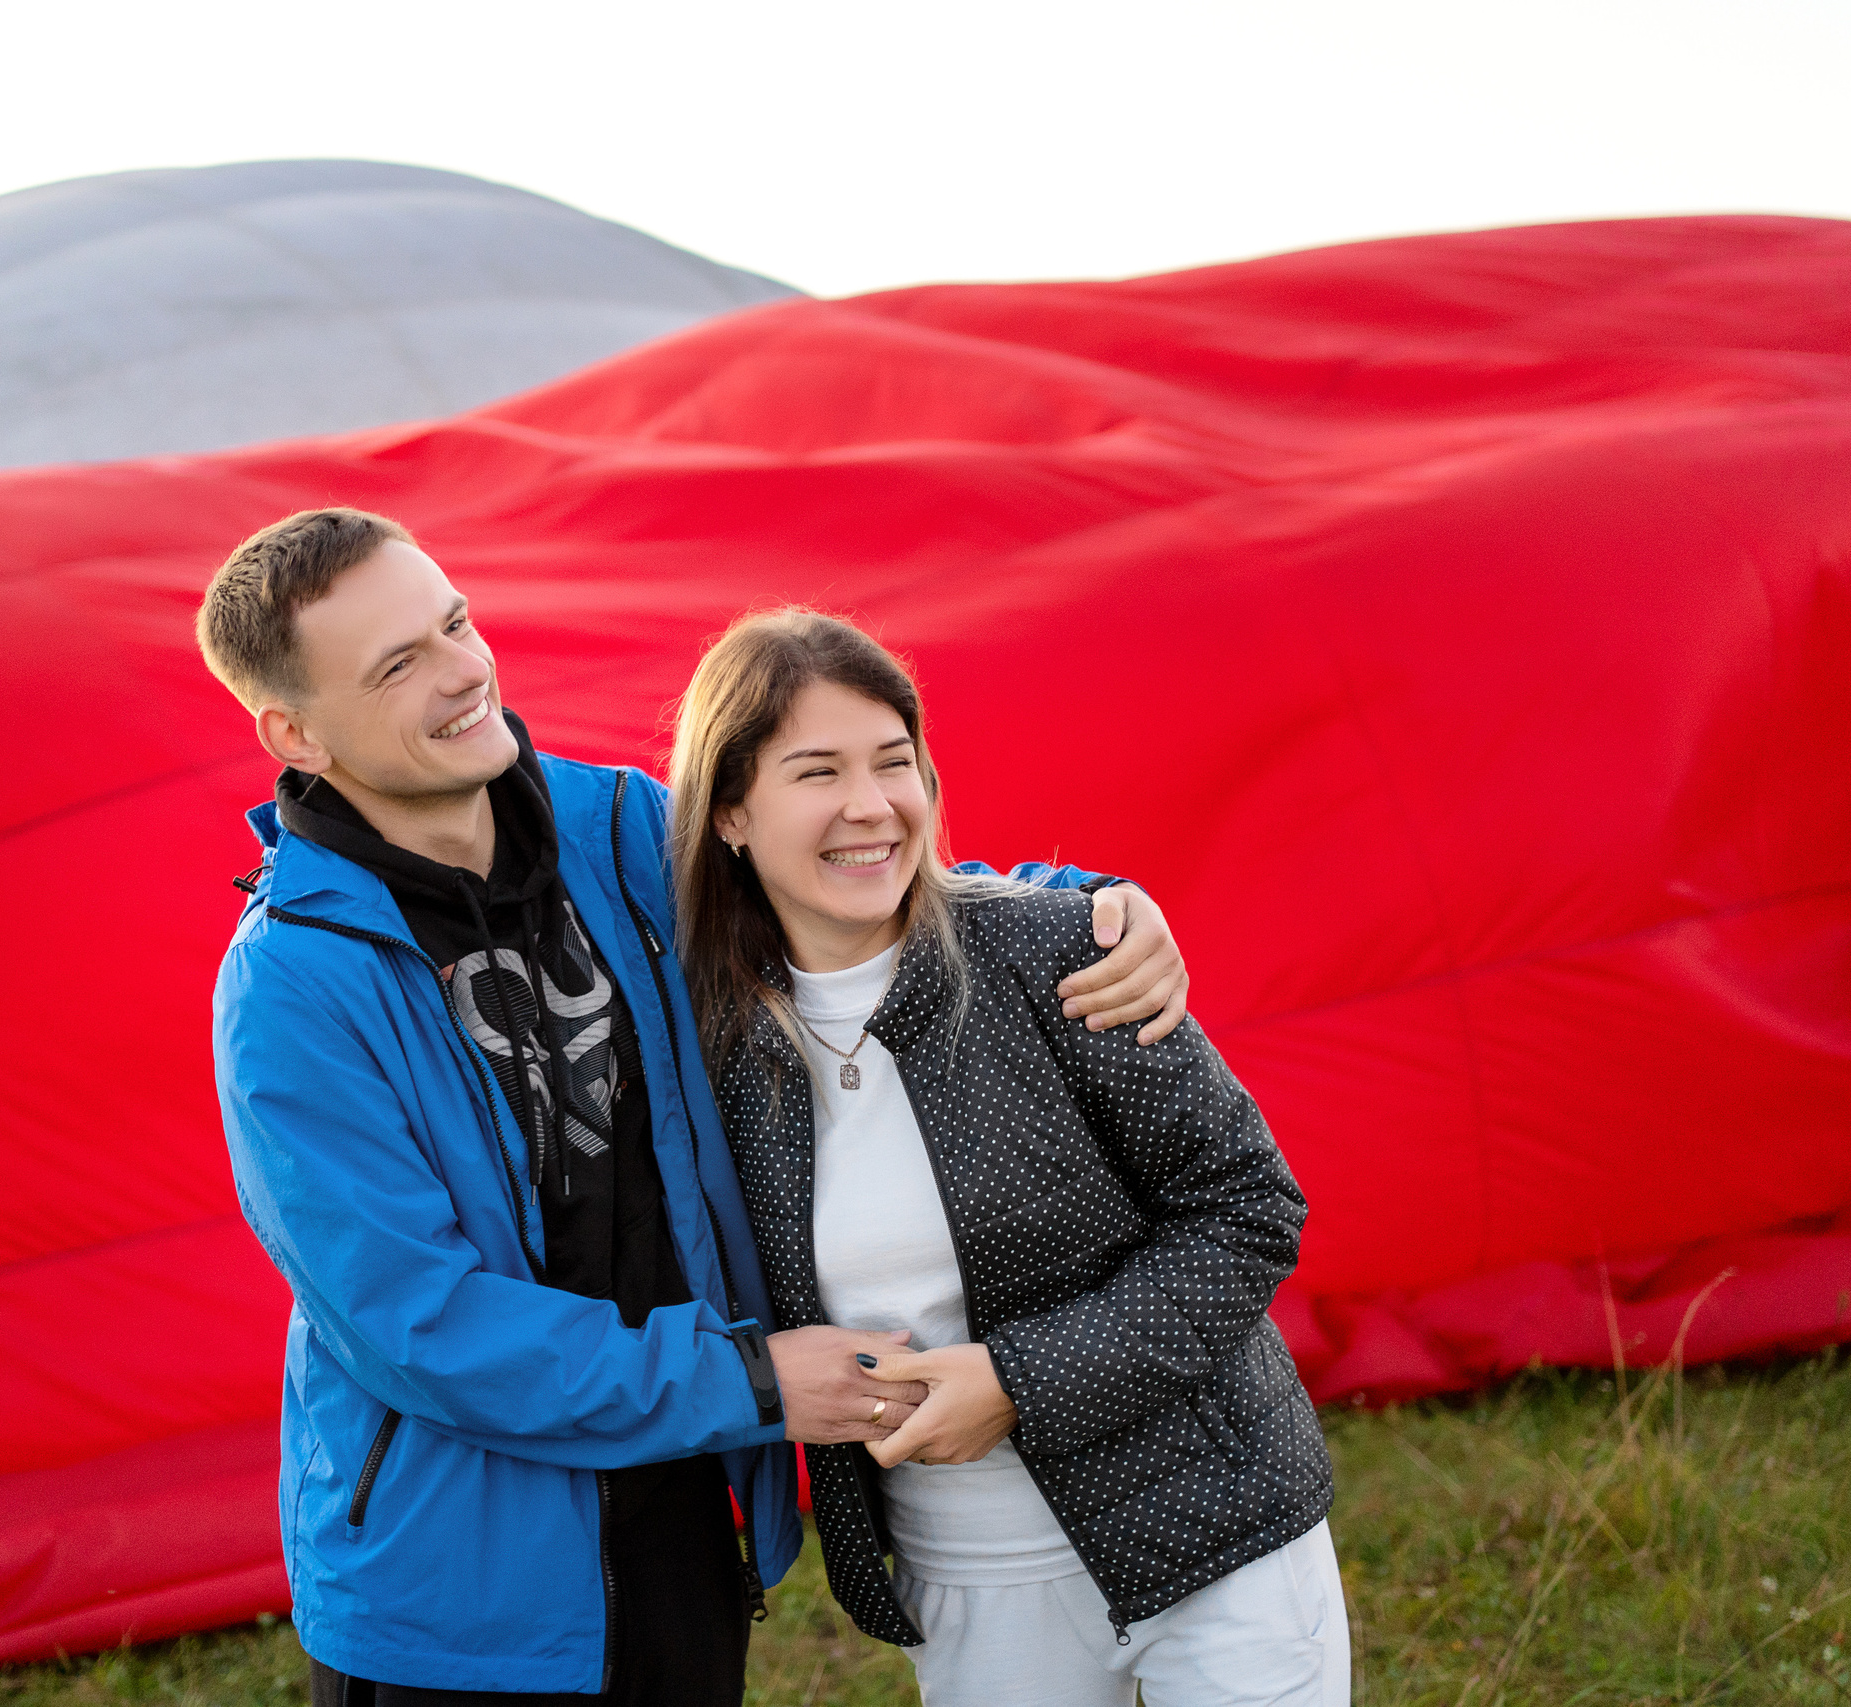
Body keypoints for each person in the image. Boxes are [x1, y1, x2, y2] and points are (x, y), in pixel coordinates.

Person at [197, 508, 1196, 1705]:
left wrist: (1088, 903)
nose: (463, 672)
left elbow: (863, 875)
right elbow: (416, 1322)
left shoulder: (626, 836)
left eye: (452, 623)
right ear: (293, 731)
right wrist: (758, 1384)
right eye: (397, 665)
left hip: (678, 1511)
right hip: (452, 1583)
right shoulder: (293, 985)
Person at [672, 608, 1347, 1707]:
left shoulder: (1056, 950)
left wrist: (1018, 1383)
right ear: (733, 813)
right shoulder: (712, 1050)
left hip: (1212, 1513)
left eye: (895, 761)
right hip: (966, 1572)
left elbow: (1245, 1209)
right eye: (815, 771)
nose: (868, 805)